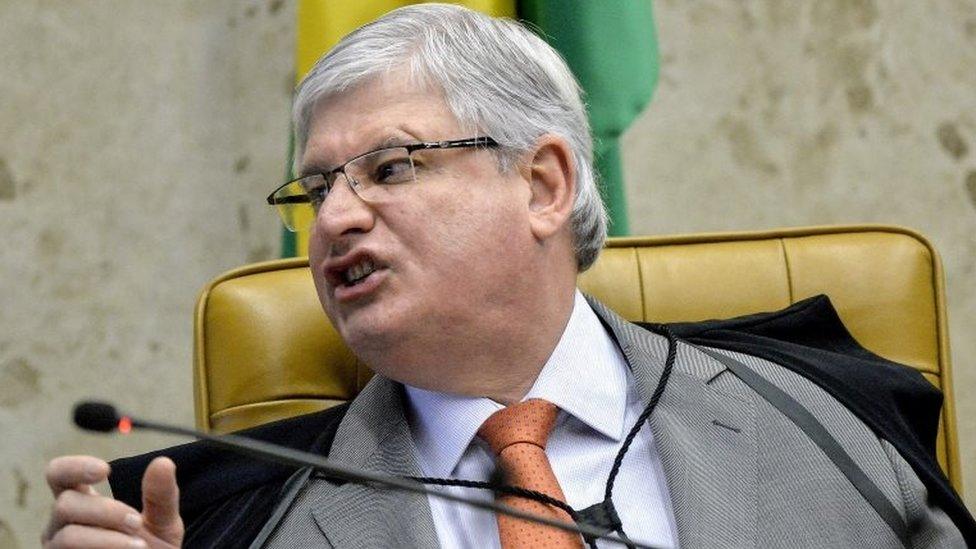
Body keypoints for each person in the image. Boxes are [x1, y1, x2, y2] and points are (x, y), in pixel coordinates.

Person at [43, 4, 973, 548]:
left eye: (391, 167)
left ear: (543, 183)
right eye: (317, 185)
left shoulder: (832, 419)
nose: (335, 217)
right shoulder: (211, 524)